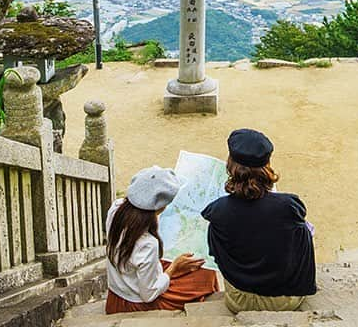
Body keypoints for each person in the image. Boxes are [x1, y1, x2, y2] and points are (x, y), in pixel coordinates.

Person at [202, 128, 316, 313]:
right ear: (267, 165)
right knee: (303, 230)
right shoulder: (289, 206)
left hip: (238, 300)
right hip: (283, 300)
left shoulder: (218, 211)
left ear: (231, 166)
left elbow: (217, 254)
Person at [105, 165, 219, 313]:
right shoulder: (147, 243)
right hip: (134, 302)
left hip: (117, 291)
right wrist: (174, 267)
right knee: (205, 276)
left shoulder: (116, 208)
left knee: (195, 266)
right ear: (161, 207)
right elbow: (149, 294)